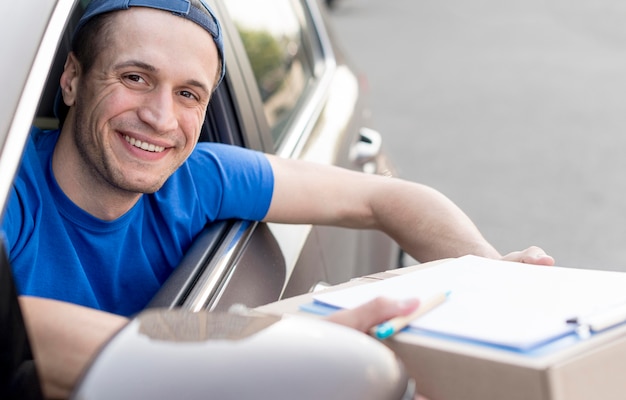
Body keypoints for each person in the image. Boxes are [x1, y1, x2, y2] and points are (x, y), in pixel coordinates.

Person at [1, 0, 554, 397]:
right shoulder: (13, 190)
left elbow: (385, 199)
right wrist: (245, 347)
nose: (161, 117)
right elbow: (15, 325)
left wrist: (491, 274)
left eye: (189, 94)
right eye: (135, 77)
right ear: (72, 79)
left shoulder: (199, 178)